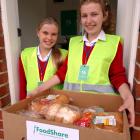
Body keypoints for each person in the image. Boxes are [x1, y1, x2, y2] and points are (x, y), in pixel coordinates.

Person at [30, 0, 135, 127]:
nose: (89, 20)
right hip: (71, 110)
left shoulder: (113, 44)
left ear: (105, 15)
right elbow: (62, 73)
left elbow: (117, 75)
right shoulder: (74, 43)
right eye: (84, 16)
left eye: (94, 14)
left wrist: (128, 96)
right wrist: (39, 89)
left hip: (99, 110)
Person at [19, 17, 67, 100]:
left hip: (55, 105)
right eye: (45, 33)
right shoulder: (25, 54)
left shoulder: (64, 54)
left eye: (53, 34)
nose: (49, 38)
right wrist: (22, 104)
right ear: (38, 33)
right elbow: (22, 85)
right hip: (32, 104)